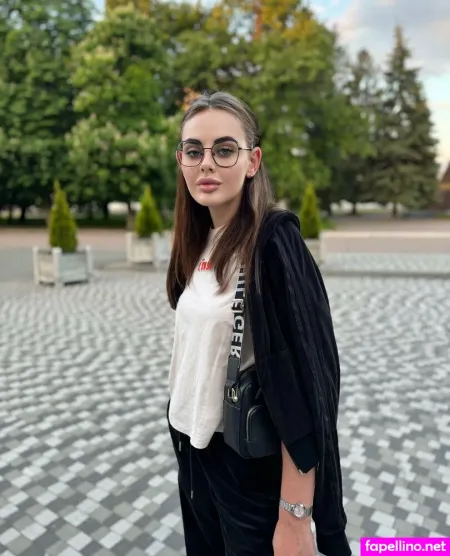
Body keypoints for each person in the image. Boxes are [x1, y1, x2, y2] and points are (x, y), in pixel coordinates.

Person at [165, 91, 351, 556]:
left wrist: (295, 516)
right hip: (193, 456)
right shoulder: (199, 239)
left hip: (246, 465)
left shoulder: (273, 242)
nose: (207, 164)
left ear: (253, 161)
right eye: (194, 151)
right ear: (181, 160)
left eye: (225, 150)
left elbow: (310, 385)